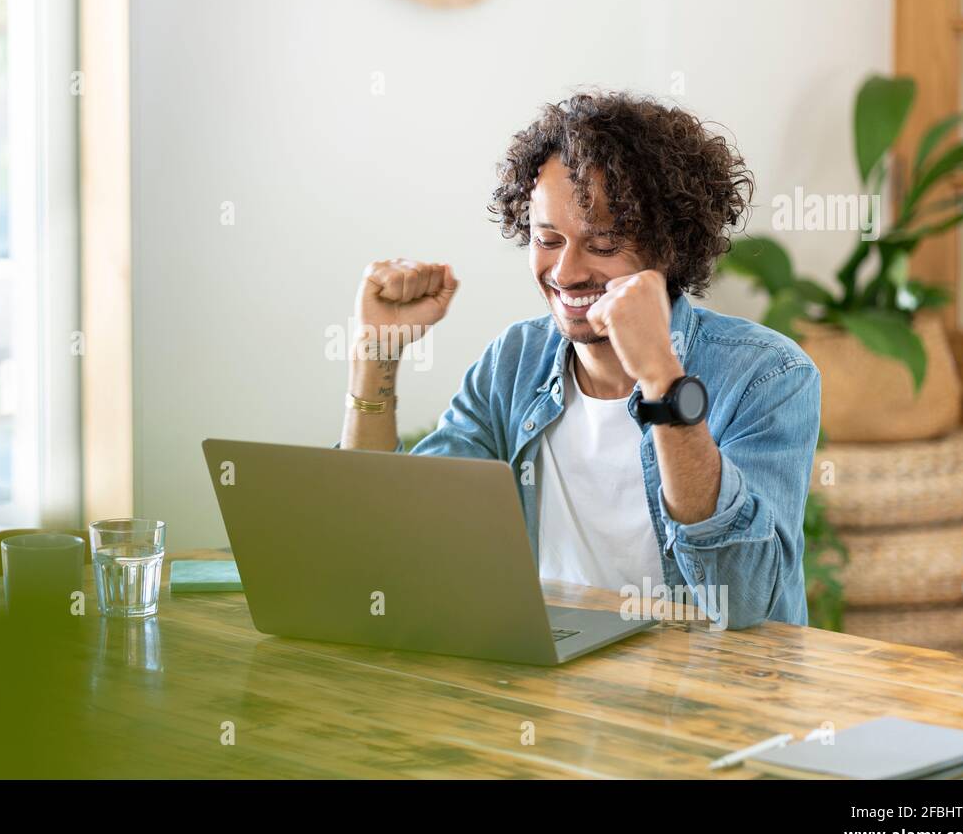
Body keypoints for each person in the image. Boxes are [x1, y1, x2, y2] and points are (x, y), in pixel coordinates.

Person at [338, 91, 821, 629]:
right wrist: (373, 357)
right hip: (552, 690)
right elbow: (393, 539)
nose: (566, 272)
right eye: (548, 238)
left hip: (715, 696)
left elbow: (742, 602)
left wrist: (662, 379)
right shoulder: (514, 363)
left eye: (603, 243)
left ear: (668, 247)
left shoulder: (767, 375)